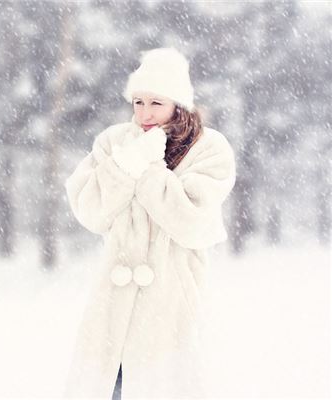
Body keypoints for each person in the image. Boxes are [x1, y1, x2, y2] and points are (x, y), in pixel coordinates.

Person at [63, 47, 237, 399]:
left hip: (170, 303)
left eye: (156, 103)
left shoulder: (209, 149)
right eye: (138, 102)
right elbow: (91, 210)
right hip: (111, 305)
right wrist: (126, 164)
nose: (144, 113)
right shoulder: (115, 142)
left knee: (163, 387)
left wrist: (149, 169)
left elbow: (192, 222)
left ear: (177, 103)